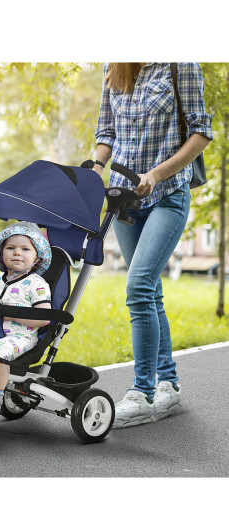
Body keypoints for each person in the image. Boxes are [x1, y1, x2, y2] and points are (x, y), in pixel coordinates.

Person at [94, 63, 213, 428]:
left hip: (166, 193)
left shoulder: (180, 64)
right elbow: (107, 130)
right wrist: (94, 168)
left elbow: (201, 132)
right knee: (151, 292)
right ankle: (169, 385)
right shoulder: (114, 66)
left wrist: (157, 173)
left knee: (140, 286)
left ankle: (141, 393)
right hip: (125, 197)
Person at [0, 221, 52, 411]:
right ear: (1, 253)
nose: (17, 253)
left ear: (37, 258)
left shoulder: (36, 284)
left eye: (25, 249)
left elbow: (44, 318)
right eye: (11, 248)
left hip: (21, 338)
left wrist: (9, 315)